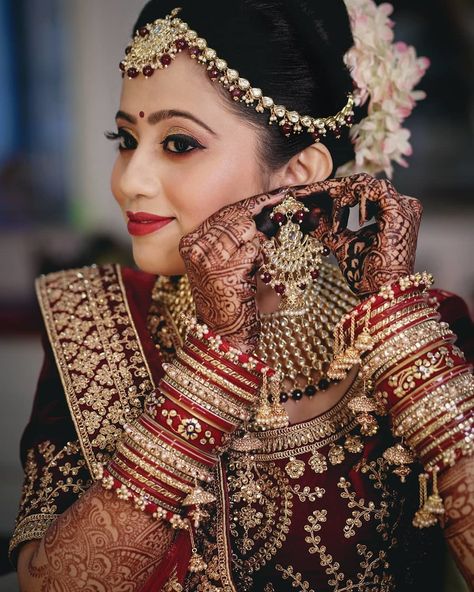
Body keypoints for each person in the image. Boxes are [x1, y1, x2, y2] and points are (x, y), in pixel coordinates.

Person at [9, 1, 474, 591]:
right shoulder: (91, 321)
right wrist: (210, 372)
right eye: (124, 138)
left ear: (300, 174)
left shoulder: (425, 334)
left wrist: (407, 345)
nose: (128, 180)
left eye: (178, 144)